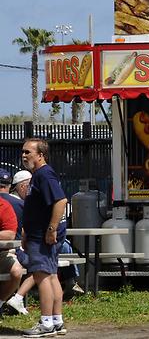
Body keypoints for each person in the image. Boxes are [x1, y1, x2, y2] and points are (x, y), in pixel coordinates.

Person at [20, 138, 68, 337]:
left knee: (42, 277)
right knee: (51, 275)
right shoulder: (39, 174)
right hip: (37, 234)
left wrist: (51, 229)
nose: (24, 156)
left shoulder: (44, 174)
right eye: (23, 152)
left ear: (41, 155)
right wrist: (26, 231)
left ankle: (46, 323)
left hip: (42, 237)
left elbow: (60, 201)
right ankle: (57, 321)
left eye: (28, 152)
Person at [0, 169, 24, 317]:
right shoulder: (19, 203)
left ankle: (0, 302)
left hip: (3, 253)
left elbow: (10, 233)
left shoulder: (5, 206)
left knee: (17, 271)